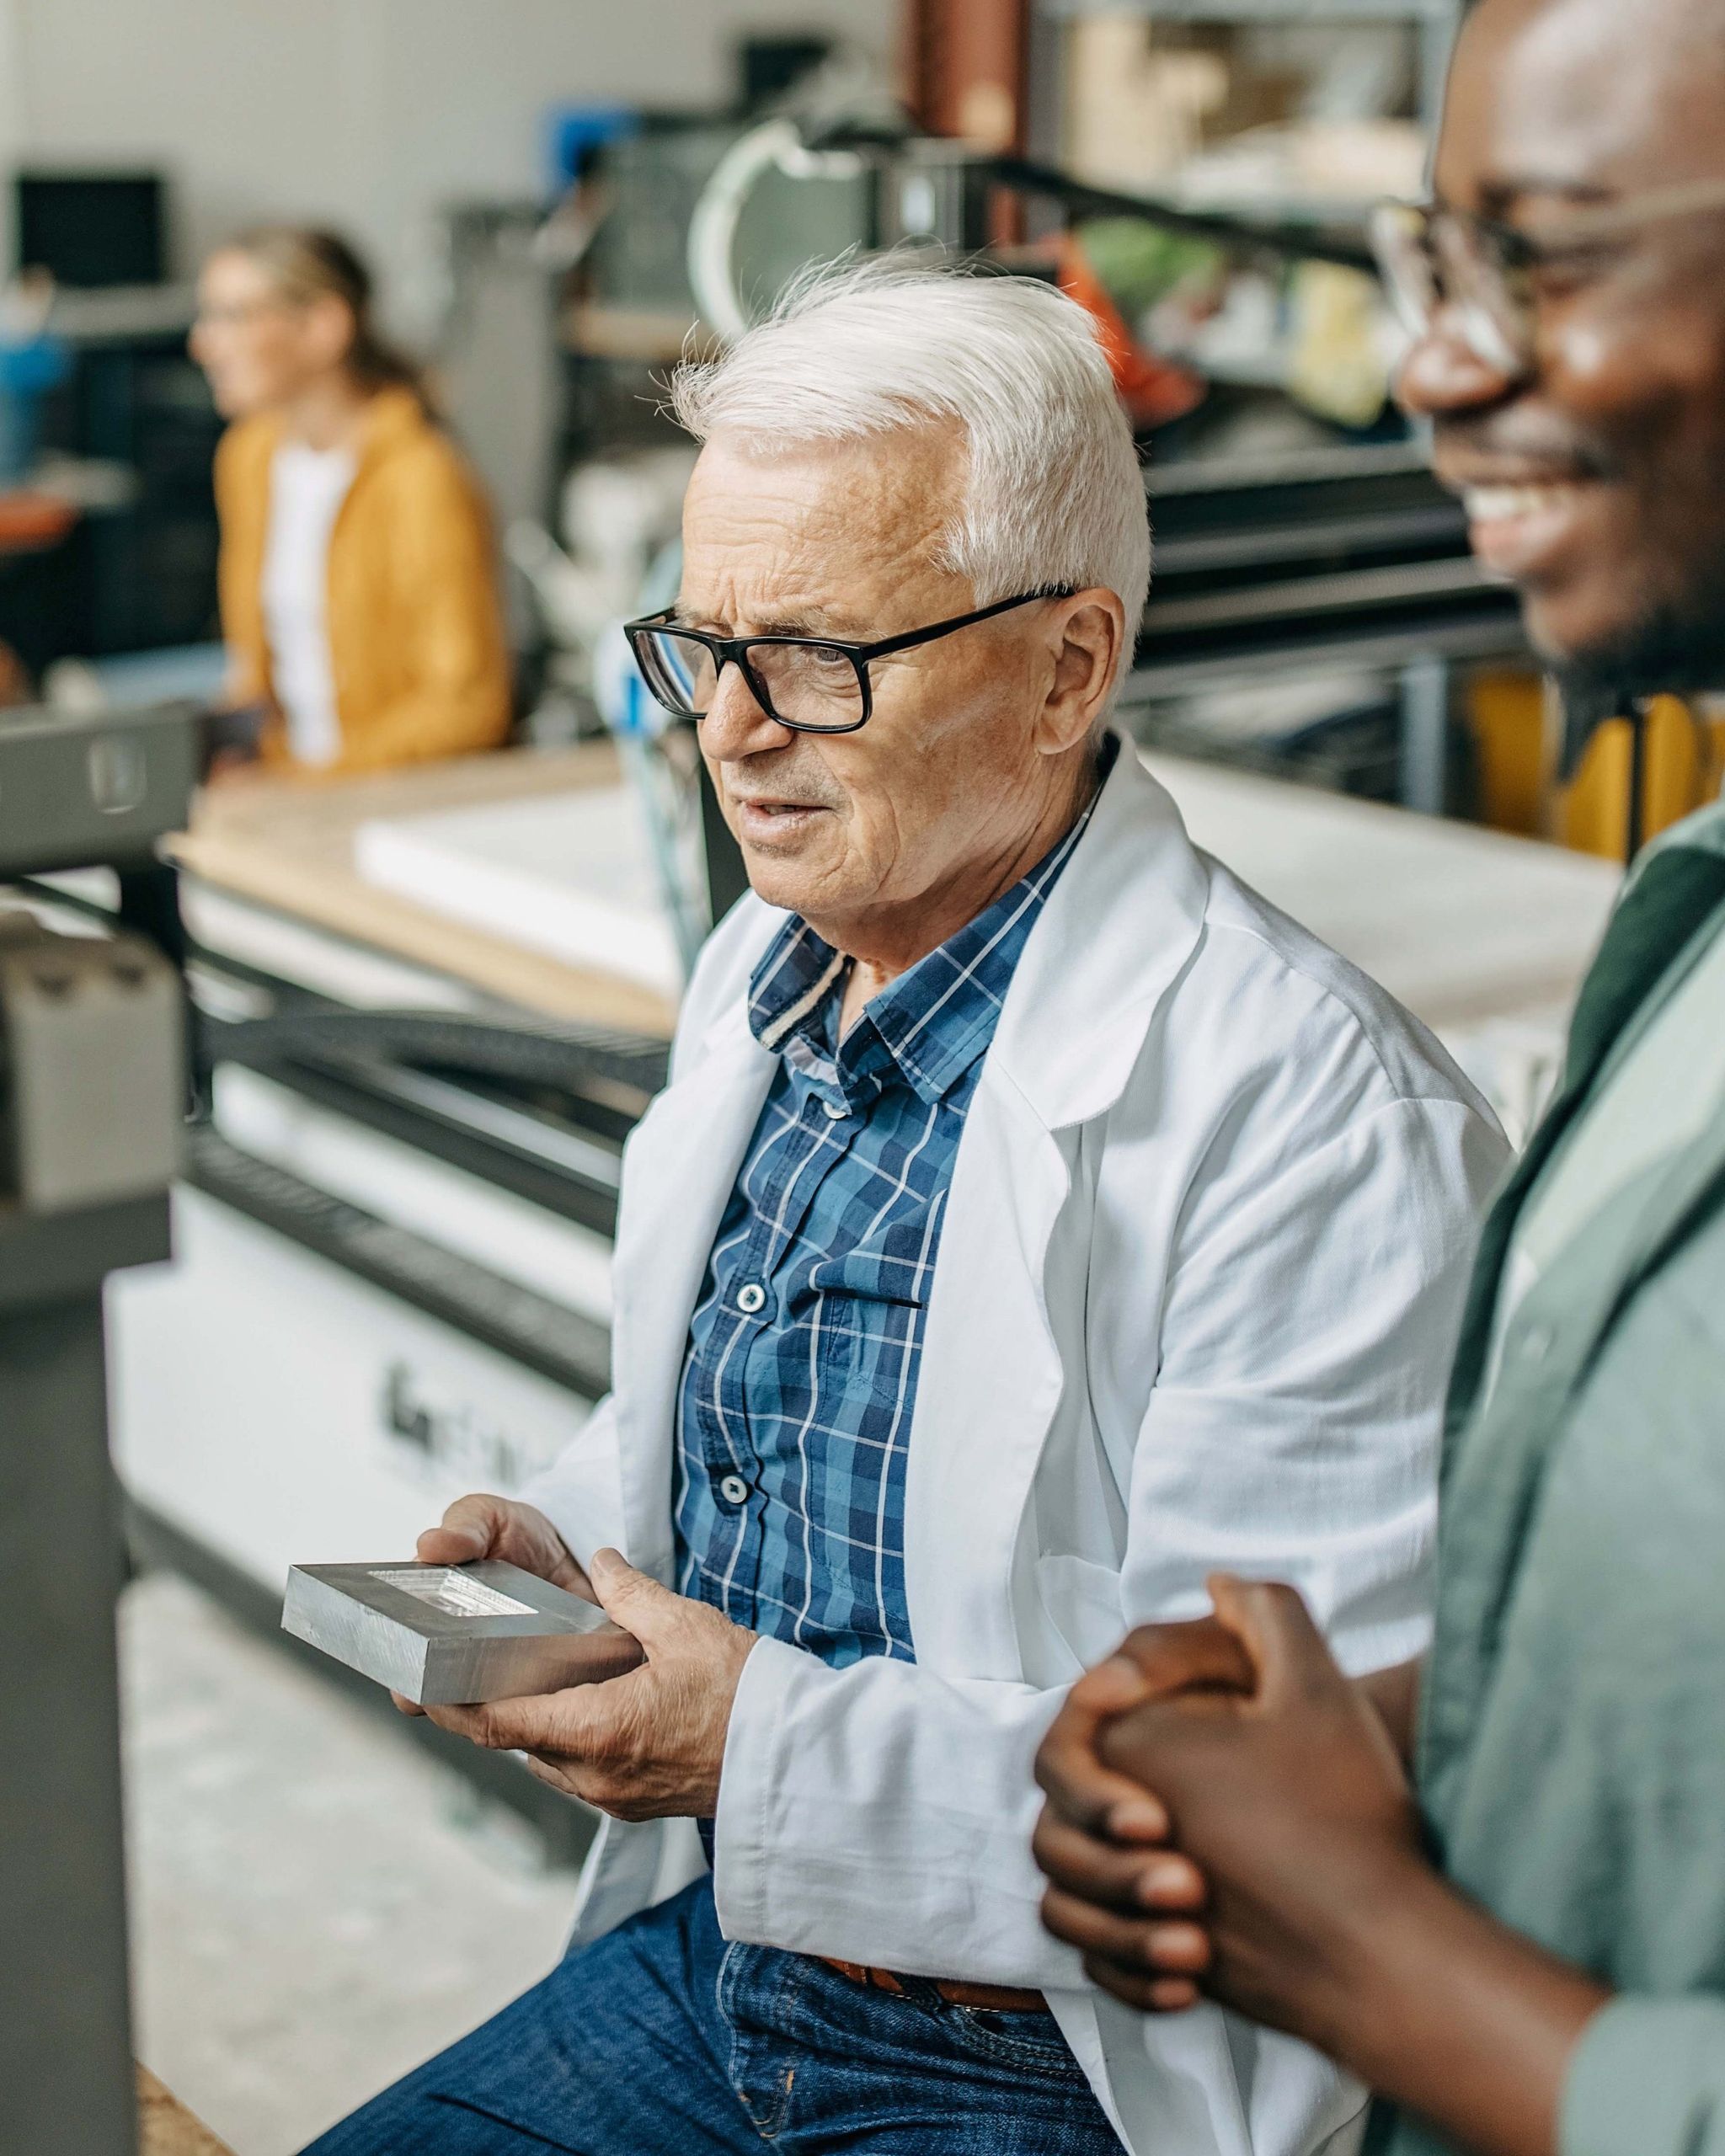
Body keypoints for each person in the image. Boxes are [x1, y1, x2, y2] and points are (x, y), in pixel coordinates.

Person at [302, 260, 1505, 2156]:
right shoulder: (765, 977)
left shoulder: (1321, 1126)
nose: (731, 730)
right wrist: (569, 1546)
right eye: (702, 648)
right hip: (731, 1956)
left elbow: (1296, 1827)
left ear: (1066, 667)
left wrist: (747, 1744)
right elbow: (735, 1428)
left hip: (1056, 2064)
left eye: (817, 656)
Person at [1033, 4, 1725, 2153]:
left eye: (1543, 255)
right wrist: (1397, 1737)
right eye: (1434, 261)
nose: (1434, 364)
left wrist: (1361, 1946)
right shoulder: (1691, 926)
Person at [191, 226, 510, 776]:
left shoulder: (423, 476)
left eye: (234, 316)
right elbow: (255, 668)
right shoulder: (248, 456)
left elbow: (469, 708)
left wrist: (305, 784)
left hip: (382, 795)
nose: (203, 342)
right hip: (283, 781)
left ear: (322, 327)